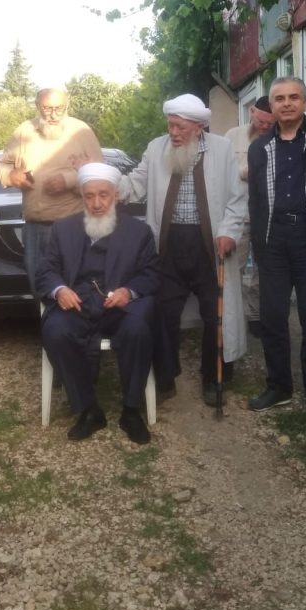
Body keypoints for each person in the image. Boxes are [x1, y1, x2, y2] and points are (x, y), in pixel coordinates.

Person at [119, 94, 248, 406]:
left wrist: (230, 232)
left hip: (210, 243)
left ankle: (213, 377)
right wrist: (108, 185)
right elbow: (136, 183)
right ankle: (165, 375)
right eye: (170, 125)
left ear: (197, 126)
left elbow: (236, 197)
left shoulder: (221, 148)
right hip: (168, 244)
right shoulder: (156, 147)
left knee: (215, 312)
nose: (173, 132)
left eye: (179, 127)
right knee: (163, 311)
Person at [38, 162, 160, 444]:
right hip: (78, 302)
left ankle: (131, 410)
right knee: (56, 330)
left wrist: (129, 292)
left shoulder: (138, 232)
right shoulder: (62, 229)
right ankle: (89, 410)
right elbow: (46, 270)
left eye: (103, 195)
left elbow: (151, 275)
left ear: (116, 195)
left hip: (120, 305)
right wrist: (59, 290)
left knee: (138, 328)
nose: (96, 203)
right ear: (82, 197)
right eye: (89, 196)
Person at [247, 78, 306, 418]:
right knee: (272, 318)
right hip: (273, 244)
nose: (286, 104)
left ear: (305, 102)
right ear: (270, 107)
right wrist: (259, 243)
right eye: (279, 99)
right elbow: (256, 200)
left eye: (293, 97)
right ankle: (279, 386)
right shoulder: (260, 148)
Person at [0, 87, 102, 287]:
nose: (53, 115)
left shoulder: (82, 131)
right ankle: (46, 319)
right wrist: (11, 176)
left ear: (67, 105)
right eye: (46, 108)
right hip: (36, 226)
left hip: (75, 225)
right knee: (40, 285)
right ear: (37, 106)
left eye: (58, 108)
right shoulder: (24, 131)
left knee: (77, 285)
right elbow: (3, 164)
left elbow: (100, 175)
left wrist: (69, 180)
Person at [224, 96, 276, 333]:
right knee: (234, 268)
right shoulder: (232, 136)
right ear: (252, 111)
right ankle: (230, 316)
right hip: (240, 214)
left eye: (270, 123)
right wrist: (243, 172)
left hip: (269, 216)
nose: (265, 127)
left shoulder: (278, 136)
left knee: (262, 269)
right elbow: (221, 170)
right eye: (261, 121)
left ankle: (255, 315)